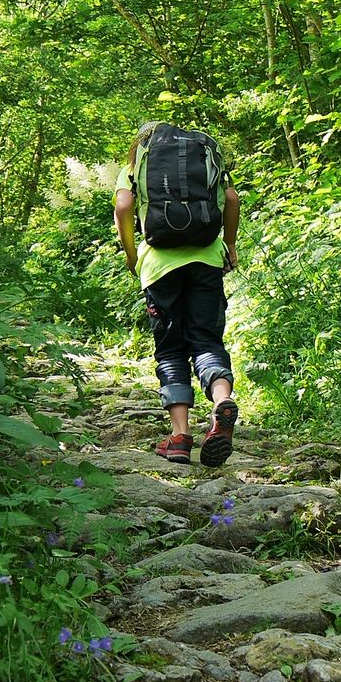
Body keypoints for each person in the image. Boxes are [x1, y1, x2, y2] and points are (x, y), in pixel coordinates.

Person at [113, 121, 240, 467]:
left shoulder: (138, 164)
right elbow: (230, 197)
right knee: (207, 341)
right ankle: (220, 403)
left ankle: (180, 438)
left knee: (171, 351)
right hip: (207, 259)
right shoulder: (201, 156)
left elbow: (124, 206)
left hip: (159, 265)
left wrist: (130, 254)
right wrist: (229, 244)